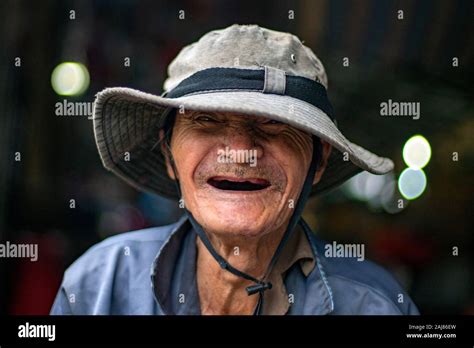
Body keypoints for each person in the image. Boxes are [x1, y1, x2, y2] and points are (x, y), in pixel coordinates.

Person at [51, 24, 419, 315]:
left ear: (318, 161)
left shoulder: (376, 307)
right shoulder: (98, 286)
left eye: (274, 125)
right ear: (168, 154)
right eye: (206, 121)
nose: (241, 153)